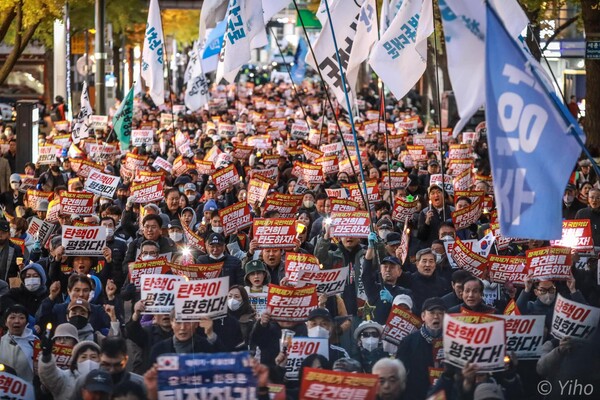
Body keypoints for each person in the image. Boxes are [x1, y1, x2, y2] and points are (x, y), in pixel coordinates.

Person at [396, 297, 446, 400]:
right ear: (423, 316)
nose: (436, 316)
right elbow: (400, 374)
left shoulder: (452, 341)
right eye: (432, 313)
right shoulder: (409, 341)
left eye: (440, 313)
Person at [148, 309, 224, 365]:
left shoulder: (206, 347)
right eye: (178, 323)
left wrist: (210, 333)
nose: (182, 327)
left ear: (196, 324)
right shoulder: (159, 350)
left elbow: (223, 361)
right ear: (171, 323)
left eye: (187, 322)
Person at [0, 304, 37, 382]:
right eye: (12, 317)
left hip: (28, 389)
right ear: (6, 323)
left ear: (27, 322)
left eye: (21, 317)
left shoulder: (34, 341)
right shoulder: (1, 341)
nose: (17, 321)